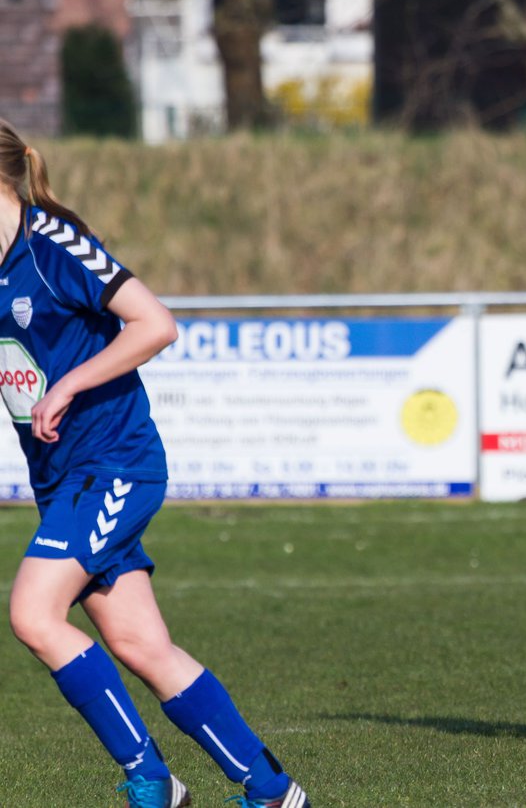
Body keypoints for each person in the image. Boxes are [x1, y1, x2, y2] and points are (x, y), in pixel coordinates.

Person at [0, 119, 310, 808]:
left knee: (32, 613)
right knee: (141, 644)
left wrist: (72, 384)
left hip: (114, 465)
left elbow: (155, 323)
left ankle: (150, 777)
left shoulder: (50, 245)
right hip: (62, 481)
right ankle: (271, 788)